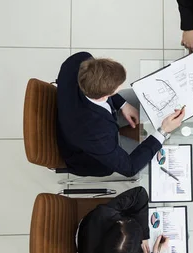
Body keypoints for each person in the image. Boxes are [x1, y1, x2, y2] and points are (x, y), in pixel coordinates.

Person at [56, 52, 185, 177]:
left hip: (86, 115)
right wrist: (163, 131)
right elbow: (130, 167)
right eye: (117, 88)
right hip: (93, 152)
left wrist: (123, 104)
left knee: (141, 100)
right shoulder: (94, 134)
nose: (121, 87)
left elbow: (100, 86)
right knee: (157, 163)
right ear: (105, 95)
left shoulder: (79, 60)